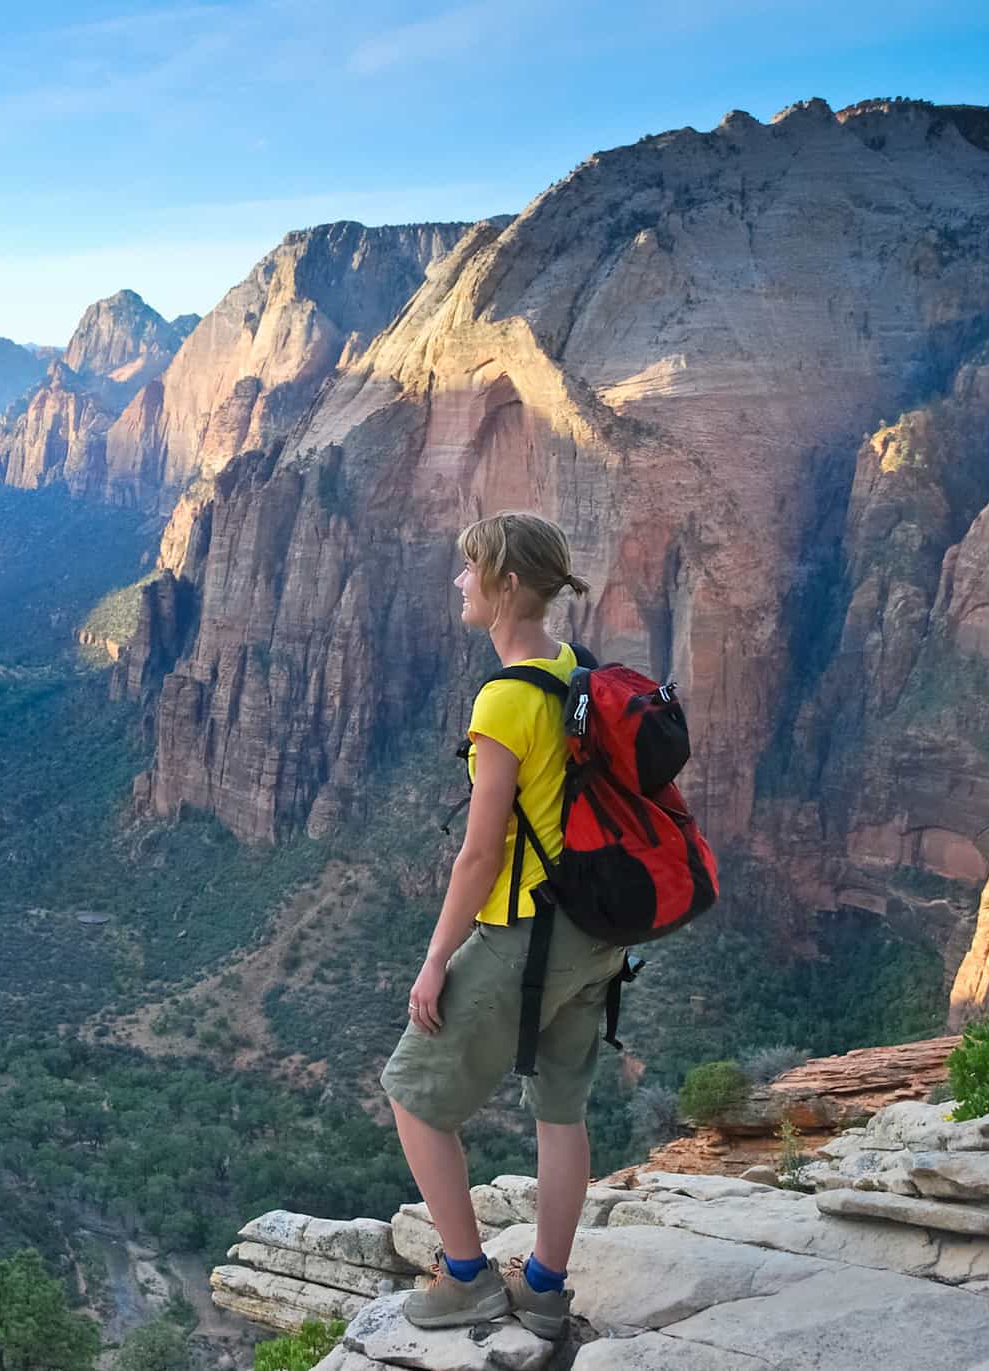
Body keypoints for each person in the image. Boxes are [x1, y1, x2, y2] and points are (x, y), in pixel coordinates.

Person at [378, 510, 624, 1338]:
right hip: (597, 932)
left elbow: (479, 855)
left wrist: (434, 959)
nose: (458, 580)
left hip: (528, 936)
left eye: (469, 567)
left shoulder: (505, 699)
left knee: (412, 1092)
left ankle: (468, 1277)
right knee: (561, 1109)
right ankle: (546, 1289)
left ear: (506, 583)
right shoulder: (571, 665)